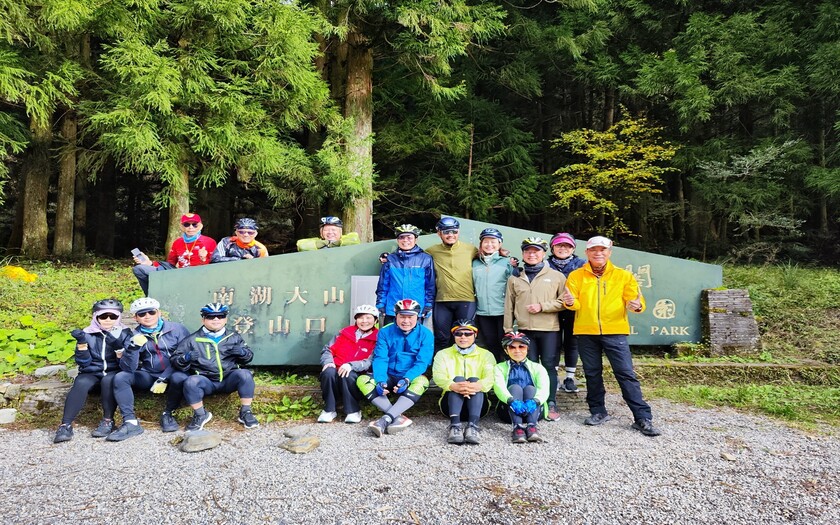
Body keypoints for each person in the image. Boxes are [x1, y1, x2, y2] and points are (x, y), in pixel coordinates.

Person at [562, 236, 661, 437]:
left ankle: (642, 417)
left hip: (615, 331)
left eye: (602, 250)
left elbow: (636, 300)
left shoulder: (623, 276)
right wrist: (570, 302)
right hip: (586, 331)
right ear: (587, 252)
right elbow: (574, 303)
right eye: (593, 250)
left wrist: (637, 305)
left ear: (609, 252)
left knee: (625, 373)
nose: (598, 253)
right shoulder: (576, 276)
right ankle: (598, 412)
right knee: (592, 373)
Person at [105, 297, 191, 441]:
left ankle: (168, 414)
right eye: (142, 314)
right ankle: (130, 422)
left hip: (175, 372)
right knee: (121, 377)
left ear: (158, 313)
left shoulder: (177, 329)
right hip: (149, 374)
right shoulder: (132, 335)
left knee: (180, 377)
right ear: (136, 317)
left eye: (151, 312)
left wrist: (165, 377)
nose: (147, 316)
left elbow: (184, 357)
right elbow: (128, 367)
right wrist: (133, 348)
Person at [503, 237, 567, 421]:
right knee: (528, 367)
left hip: (549, 329)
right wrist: (508, 329)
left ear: (544, 253)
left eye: (536, 251)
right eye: (528, 251)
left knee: (548, 367)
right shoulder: (515, 277)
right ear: (523, 254)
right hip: (524, 330)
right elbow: (509, 305)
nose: (532, 254)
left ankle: (551, 401)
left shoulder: (557, 276)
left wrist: (542, 306)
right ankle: (530, 401)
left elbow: (564, 302)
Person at [171, 303, 259, 431]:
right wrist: (186, 358)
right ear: (203, 319)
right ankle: (200, 415)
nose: (216, 319)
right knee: (191, 381)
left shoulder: (233, 337)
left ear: (226, 318)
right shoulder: (192, 340)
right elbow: (175, 360)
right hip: (206, 381)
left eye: (220, 316)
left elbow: (248, 357)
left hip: (229, 378)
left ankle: (246, 412)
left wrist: (243, 353)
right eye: (211, 317)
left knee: (245, 374)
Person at [53, 299, 131, 443]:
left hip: (114, 370)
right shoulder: (87, 333)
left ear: (118, 317)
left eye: (112, 316)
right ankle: (65, 425)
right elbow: (83, 362)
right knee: (81, 382)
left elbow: (127, 363)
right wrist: (82, 343)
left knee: (109, 380)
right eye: (103, 316)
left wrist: (118, 347)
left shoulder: (125, 333)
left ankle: (108, 420)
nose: (108, 320)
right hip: (91, 371)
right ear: (96, 316)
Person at [357, 299, 433, 437]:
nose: (406, 321)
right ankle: (397, 417)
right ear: (396, 316)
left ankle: (385, 419)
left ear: (418, 316)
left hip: (408, 376)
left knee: (423, 382)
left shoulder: (426, 334)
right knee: (362, 380)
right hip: (388, 374)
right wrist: (380, 380)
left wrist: (407, 379)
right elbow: (380, 358)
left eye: (410, 317)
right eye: (402, 316)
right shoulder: (385, 331)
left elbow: (422, 362)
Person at [431, 319, 495, 445]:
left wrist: (477, 385)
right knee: (458, 379)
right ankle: (455, 426)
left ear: (475, 335)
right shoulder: (442, 354)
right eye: (458, 334)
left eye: (468, 334)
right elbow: (438, 376)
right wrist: (453, 385)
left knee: (475, 380)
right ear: (453, 335)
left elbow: (491, 377)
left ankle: (473, 426)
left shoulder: (486, 355)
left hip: (479, 405)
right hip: (450, 406)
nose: (463, 337)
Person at [318, 304, 379, 424]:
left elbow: (371, 360)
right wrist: (328, 362)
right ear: (356, 319)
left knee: (348, 374)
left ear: (375, 320)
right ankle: (329, 410)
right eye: (360, 317)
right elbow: (328, 349)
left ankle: (353, 410)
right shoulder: (344, 333)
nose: (364, 321)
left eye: (368, 318)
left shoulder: (378, 337)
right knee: (328, 372)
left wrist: (351, 365)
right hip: (337, 366)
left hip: (358, 372)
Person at [425, 217, 479, 351]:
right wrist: (386, 257)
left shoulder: (471, 249)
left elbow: (488, 254)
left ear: (458, 232)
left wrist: (503, 254)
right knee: (442, 338)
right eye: (447, 232)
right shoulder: (431, 251)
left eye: (454, 232)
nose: (451, 235)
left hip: (466, 300)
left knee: (466, 337)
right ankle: (439, 369)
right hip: (442, 301)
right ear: (439, 234)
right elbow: (413, 255)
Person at [131, 213, 217, 296]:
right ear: (181, 227)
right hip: (179, 275)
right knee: (139, 269)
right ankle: (152, 299)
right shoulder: (178, 242)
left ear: (201, 226)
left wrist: (203, 259)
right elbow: (170, 264)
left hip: (200, 277)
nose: (191, 227)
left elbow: (216, 266)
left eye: (195, 224)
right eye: (187, 224)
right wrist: (149, 263)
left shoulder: (209, 242)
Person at [546, 233, 586, 393]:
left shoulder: (582, 264)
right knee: (553, 344)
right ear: (552, 247)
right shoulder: (544, 263)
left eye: (567, 245)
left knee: (572, 343)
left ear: (573, 248)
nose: (563, 248)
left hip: (573, 310)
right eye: (559, 245)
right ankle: (553, 377)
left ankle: (570, 378)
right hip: (551, 310)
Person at [493, 332, 549, 443]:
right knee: (515, 388)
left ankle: (532, 426)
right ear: (506, 350)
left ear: (527, 349)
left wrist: (536, 401)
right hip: (509, 410)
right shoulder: (499, 368)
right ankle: (517, 427)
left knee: (530, 389)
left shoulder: (538, 367)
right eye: (512, 347)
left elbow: (544, 388)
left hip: (534, 409)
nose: (517, 350)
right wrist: (511, 400)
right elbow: (499, 387)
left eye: (521, 346)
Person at [375, 224, 436, 326]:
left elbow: (430, 285)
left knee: (414, 340)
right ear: (397, 240)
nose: (405, 240)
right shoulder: (390, 259)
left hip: (416, 308)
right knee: (391, 339)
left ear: (416, 239)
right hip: (393, 308)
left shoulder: (426, 259)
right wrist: (380, 304)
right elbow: (383, 285)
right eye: (401, 237)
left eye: (409, 237)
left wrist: (429, 305)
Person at [472, 227, 514, 362]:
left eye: (493, 241)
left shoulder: (507, 263)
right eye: (486, 241)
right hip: (483, 312)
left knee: (506, 345)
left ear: (499, 244)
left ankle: (509, 376)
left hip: (503, 311)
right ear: (481, 244)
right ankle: (493, 375)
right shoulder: (474, 263)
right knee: (490, 345)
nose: (489, 244)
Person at [296, 216, 361, 251]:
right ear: (321, 233)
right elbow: (301, 245)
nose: (330, 232)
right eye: (326, 230)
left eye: (333, 230)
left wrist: (335, 243)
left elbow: (355, 240)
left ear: (340, 232)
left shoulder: (346, 239)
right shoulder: (317, 241)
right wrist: (322, 244)